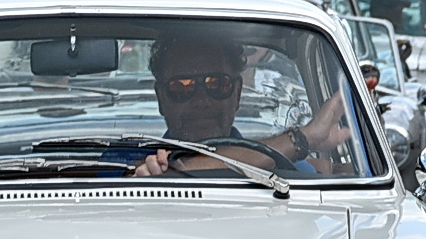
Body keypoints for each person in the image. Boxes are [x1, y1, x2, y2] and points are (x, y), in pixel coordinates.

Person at [134, 32, 349, 177]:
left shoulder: (289, 169)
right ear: (161, 97)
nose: (201, 101)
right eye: (182, 87)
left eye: (217, 85)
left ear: (237, 93)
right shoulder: (116, 164)